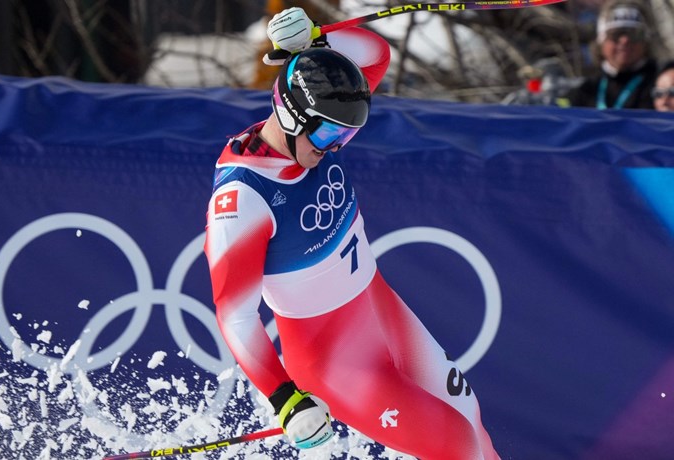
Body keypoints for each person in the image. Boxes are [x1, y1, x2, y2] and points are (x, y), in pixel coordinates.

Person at [203, 7, 500, 459]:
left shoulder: (320, 124)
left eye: (346, 137)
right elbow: (235, 317)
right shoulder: (244, 198)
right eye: (328, 139)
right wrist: (286, 401)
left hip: (382, 313)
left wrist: (316, 42)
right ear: (290, 114)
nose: (335, 148)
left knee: (472, 424)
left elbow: (373, 53)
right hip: (334, 360)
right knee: (456, 447)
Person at [562, 0, 658, 110]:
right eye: (616, 34)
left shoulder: (662, 84)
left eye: (634, 34)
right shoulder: (586, 90)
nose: (625, 40)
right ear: (601, 41)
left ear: (645, 40)